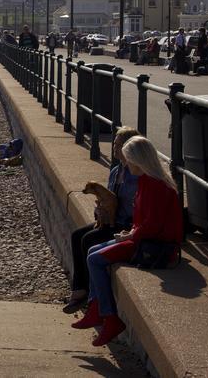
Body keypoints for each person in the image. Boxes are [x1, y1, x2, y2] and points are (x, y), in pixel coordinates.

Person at [71, 136, 183, 347]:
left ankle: (109, 317)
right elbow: (144, 222)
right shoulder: (147, 181)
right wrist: (130, 231)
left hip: (155, 247)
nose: (127, 163)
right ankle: (96, 309)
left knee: (95, 259)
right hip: (144, 239)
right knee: (92, 250)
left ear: (139, 161)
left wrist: (130, 235)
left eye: (129, 159)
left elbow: (153, 226)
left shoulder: (156, 186)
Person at [63, 127, 140, 314]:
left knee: (88, 240)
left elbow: (134, 207)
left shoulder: (136, 175)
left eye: (118, 144)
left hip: (125, 224)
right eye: (114, 143)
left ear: (128, 147)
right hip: (110, 220)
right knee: (76, 235)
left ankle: (90, 296)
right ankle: (79, 289)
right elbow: (109, 198)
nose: (114, 147)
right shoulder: (116, 171)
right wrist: (100, 210)